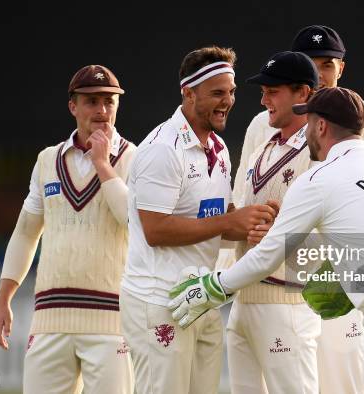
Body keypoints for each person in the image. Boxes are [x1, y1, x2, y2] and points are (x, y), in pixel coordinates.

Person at [170, 87, 364, 394]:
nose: (306, 131)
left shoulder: (318, 178)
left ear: (321, 126)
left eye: (308, 122)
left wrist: (215, 286)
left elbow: (267, 257)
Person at [218, 24, 364, 394]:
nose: (320, 73)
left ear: (341, 69)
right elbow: (243, 196)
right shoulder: (263, 123)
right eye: (311, 64)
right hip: (273, 286)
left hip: (337, 282)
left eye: (328, 65)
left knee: (343, 383)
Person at [120, 46, 278, 394]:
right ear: (188, 92)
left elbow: (208, 222)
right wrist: (228, 224)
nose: (228, 101)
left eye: (232, 92)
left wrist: (249, 223)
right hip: (158, 300)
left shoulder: (219, 149)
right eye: (217, 93)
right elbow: (155, 230)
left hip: (199, 296)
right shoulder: (162, 149)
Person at [0, 64, 136, 394]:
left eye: (109, 101)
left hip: (112, 321)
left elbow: (132, 221)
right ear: (73, 106)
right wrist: (3, 299)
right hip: (50, 320)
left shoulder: (134, 158)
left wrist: (102, 164)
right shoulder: (47, 160)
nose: (101, 111)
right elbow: (26, 233)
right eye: (91, 101)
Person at [224, 50, 321, 394]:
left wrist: (284, 233)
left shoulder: (321, 153)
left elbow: (339, 238)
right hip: (243, 304)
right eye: (262, 90)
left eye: (273, 90)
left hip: (288, 302)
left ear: (304, 93)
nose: (264, 99)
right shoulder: (260, 147)